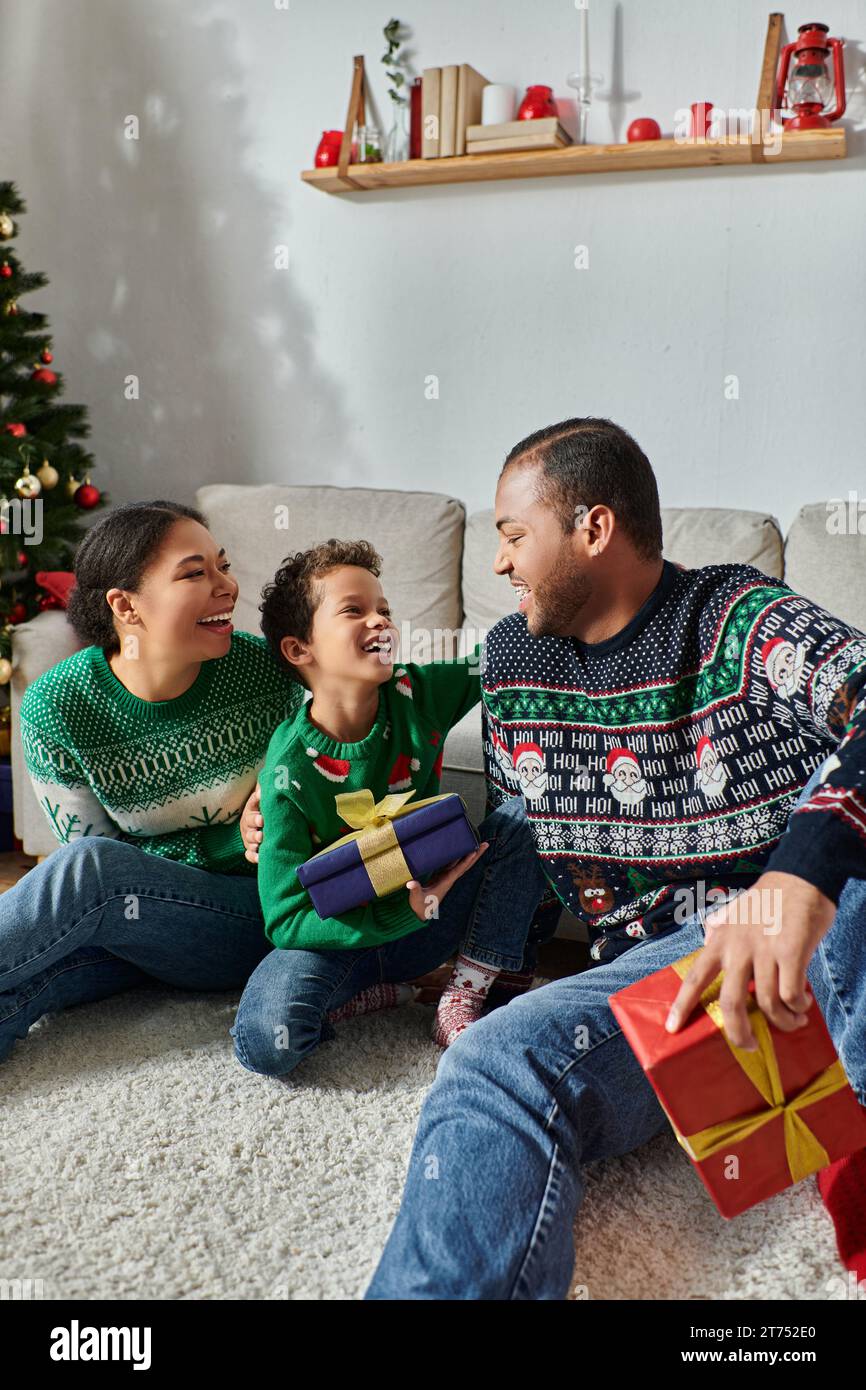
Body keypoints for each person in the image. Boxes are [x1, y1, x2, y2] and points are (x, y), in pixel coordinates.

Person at [363, 416, 866, 1299]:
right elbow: (530, 817)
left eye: (514, 536)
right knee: (490, 1064)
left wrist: (796, 877)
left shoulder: (741, 617)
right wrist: (466, 866)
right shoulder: (513, 660)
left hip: (809, 949)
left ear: (593, 530)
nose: (498, 564)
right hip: (675, 996)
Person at [230, 538, 551, 1077]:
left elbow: (495, 657)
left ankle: (463, 991)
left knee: (525, 816)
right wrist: (402, 911)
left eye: (384, 610)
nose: (380, 621)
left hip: (434, 920)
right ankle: (386, 992)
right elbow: (285, 920)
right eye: (354, 610)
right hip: (338, 945)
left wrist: (544, 590)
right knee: (267, 1043)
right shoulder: (286, 773)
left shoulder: (415, 694)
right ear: (298, 650)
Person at [1, 499, 304, 1062]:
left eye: (223, 565)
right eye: (195, 573)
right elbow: (114, 879)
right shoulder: (58, 707)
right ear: (124, 604)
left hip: (259, 915)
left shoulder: (270, 670)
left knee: (90, 869)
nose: (228, 586)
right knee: (29, 983)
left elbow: (101, 873)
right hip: (144, 927)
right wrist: (227, 839)